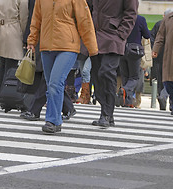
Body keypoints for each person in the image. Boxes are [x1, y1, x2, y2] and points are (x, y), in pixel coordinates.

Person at [27, 0, 98, 134]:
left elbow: (85, 22)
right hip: (46, 47)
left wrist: (92, 49)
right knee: (51, 85)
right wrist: (32, 40)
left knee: (55, 83)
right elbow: (36, 19)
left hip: (68, 46)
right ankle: (56, 120)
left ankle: (52, 121)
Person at [90, 0, 138, 128]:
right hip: (94, 37)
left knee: (106, 72)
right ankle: (106, 113)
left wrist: (121, 34)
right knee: (96, 75)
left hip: (113, 37)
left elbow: (131, 12)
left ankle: (107, 113)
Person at [0, 0, 28, 104]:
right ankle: (4, 93)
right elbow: (24, 17)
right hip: (13, 28)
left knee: (3, 63)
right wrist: (25, 35)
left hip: (0, 28)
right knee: (11, 65)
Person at [118, 14, 150, 108]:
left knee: (125, 76)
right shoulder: (140, 19)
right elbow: (147, 35)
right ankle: (125, 89)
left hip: (121, 49)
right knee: (134, 77)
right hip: (134, 50)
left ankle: (127, 102)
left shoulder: (120, 17)